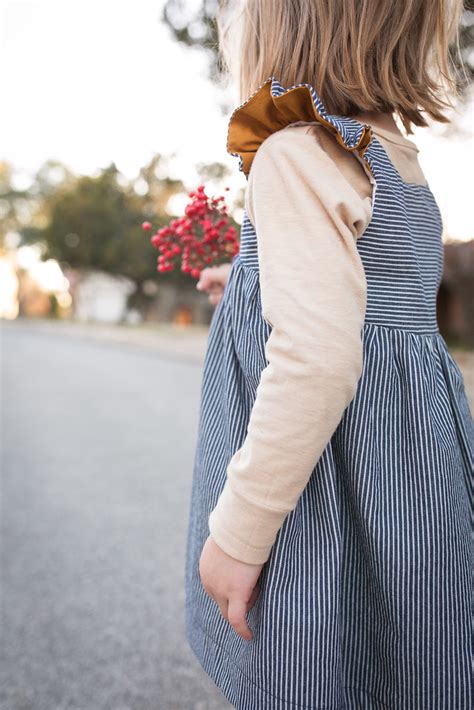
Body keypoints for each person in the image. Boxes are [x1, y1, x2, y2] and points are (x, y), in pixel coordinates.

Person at [184, 1, 473, 708]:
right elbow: (368, 291)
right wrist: (248, 278)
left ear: (283, 29)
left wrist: (240, 534)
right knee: (408, 645)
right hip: (412, 468)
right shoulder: (395, 153)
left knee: (316, 650)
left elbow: (317, 357)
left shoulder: (294, 152)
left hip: (332, 481)